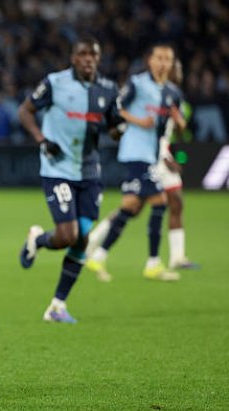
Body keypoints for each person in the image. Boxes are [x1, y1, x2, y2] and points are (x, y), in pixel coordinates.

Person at [17, 37, 122, 323]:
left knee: (81, 239)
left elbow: (114, 127)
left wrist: (121, 129)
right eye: (82, 54)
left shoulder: (108, 89)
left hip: (89, 173)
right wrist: (41, 139)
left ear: (98, 59)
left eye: (93, 54)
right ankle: (40, 239)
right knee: (67, 236)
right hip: (57, 169)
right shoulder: (54, 82)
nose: (88, 58)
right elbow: (25, 110)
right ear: (73, 58)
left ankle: (57, 306)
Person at [85, 44, 185, 282]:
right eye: (159, 58)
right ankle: (153, 263)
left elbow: (172, 130)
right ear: (150, 60)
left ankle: (97, 255)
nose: (163, 63)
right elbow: (116, 108)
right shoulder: (138, 84)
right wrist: (138, 121)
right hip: (135, 151)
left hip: (151, 155)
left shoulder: (172, 93)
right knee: (160, 202)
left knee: (130, 207)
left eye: (168, 59)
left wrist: (179, 123)